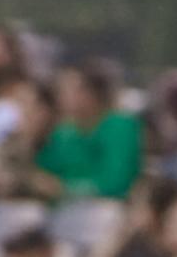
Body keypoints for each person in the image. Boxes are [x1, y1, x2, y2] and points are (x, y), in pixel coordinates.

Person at [34, 61, 142, 201]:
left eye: (69, 90)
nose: (61, 96)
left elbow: (116, 182)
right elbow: (45, 170)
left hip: (109, 209)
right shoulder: (64, 132)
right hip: (69, 209)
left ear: (92, 93)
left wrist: (65, 188)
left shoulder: (120, 126)